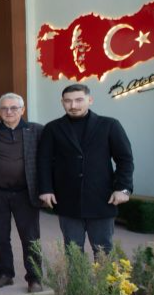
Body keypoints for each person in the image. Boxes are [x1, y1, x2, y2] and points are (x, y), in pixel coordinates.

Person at [38, 84, 134, 257]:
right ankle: (77, 285)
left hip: (103, 199)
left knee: (104, 250)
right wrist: (46, 189)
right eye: (68, 101)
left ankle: (106, 285)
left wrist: (123, 188)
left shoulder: (110, 125)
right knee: (73, 250)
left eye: (78, 100)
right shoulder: (52, 128)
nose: (73, 105)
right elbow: (43, 161)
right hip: (67, 200)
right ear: (62, 102)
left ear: (90, 100)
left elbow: (125, 159)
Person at [0, 93, 44, 292]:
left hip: (26, 193)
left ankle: (35, 278)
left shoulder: (37, 131)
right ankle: (5, 274)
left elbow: (46, 162)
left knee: (30, 238)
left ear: (22, 110)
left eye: (14, 108)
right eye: (4, 108)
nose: (9, 112)